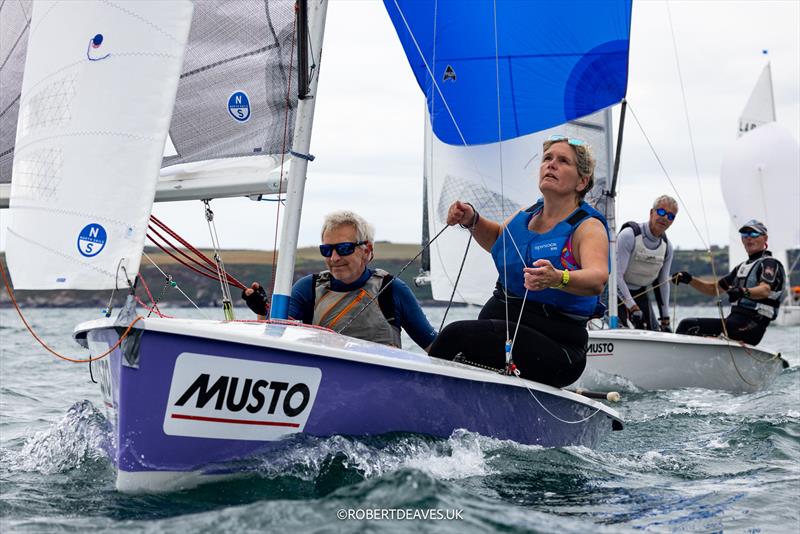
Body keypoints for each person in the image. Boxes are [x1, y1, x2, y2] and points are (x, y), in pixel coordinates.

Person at [428, 135, 610, 388]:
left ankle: (416, 396)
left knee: (454, 335)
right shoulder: (526, 215)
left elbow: (597, 279)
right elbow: (497, 240)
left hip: (559, 347)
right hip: (510, 333)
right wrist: (472, 220)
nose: (551, 164)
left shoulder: (587, 227)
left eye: (563, 161)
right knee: (461, 346)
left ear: (582, 181)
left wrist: (558, 278)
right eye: (547, 158)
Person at [242, 210, 437, 351]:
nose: (334, 258)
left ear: (366, 250)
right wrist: (262, 311)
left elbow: (435, 350)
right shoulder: (308, 288)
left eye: (344, 248)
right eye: (327, 250)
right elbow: (273, 338)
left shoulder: (391, 290)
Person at [673, 219, 786, 345]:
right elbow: (713, 289)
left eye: (754, 234)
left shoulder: (769, 263)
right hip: (734, 322)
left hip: (752, 325)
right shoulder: (741, 268)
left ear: (765, 238)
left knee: (688, 325)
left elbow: (765, 290)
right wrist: (690, 280)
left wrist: (742, 291)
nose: (749, 238)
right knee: (691, 327)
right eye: (745, 235)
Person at [616, 195, 677, 331]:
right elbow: (616, 276)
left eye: (671, 216)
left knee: (654, 332)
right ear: (651, 212)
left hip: (640, 292)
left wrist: (665, 318)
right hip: (614, 292)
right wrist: (631, 306)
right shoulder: (629, 235)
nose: (665, 218)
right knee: (622, 329)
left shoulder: (667, 247)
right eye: (661, 212)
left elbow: (663, 283)